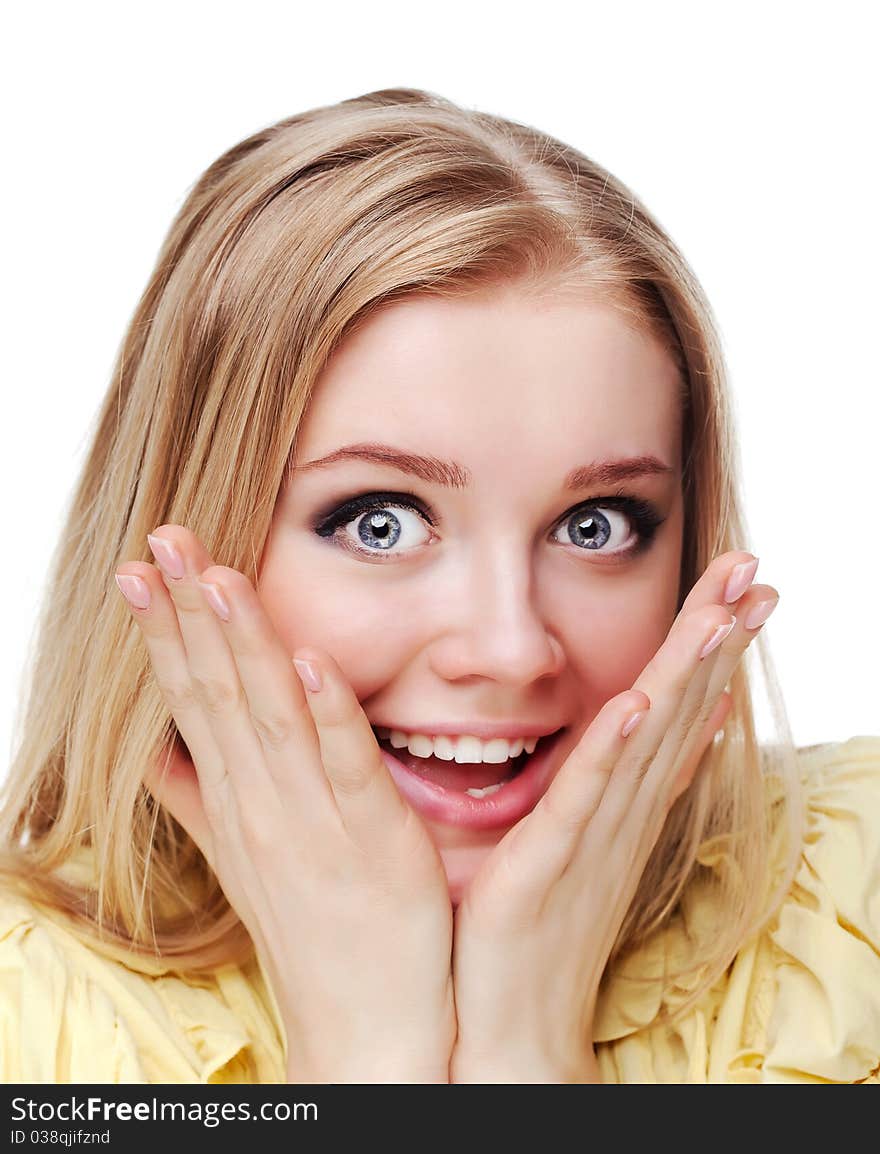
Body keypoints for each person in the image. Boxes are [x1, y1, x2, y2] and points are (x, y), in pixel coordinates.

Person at [1, 87, 877, 1086]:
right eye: (381, 522)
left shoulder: (857, 910)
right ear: (189, 537)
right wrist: (370, 1057)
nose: (509, 647)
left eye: (595, 526)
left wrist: (526, 1055)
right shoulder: (27, 1016)